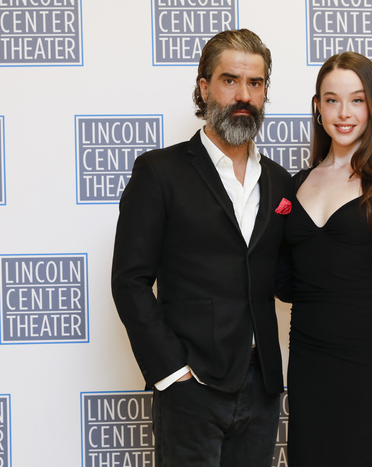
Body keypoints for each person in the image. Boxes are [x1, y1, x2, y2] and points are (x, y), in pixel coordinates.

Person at [111, 29, 293, 467]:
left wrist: (363, 270)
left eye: (255, 83)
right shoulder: (160, 171)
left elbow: (287, 279)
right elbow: (130, 281)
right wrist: (173, 373)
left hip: (263, 385)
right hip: (192, 388)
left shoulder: (280, 182)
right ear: (204, 86)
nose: (243, 95)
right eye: (230, 80)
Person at [278, 52, 372, 466]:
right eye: (332, 100)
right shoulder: (292, 187)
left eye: (357, 100)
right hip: (309, 369)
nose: (344, 113)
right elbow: (281, 275)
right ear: (318, 107)